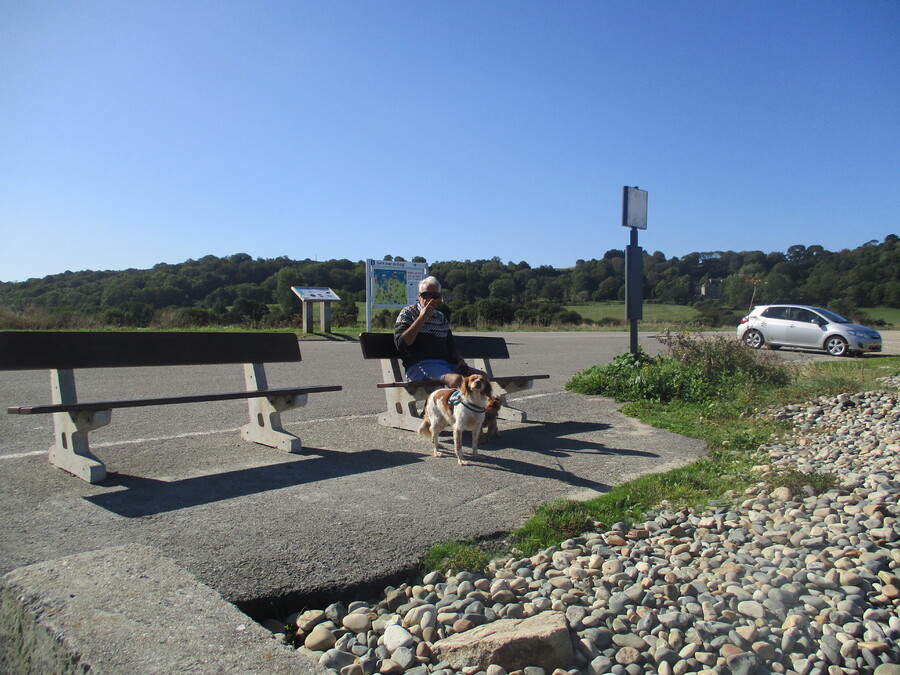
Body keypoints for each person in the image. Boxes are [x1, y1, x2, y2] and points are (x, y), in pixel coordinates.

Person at [394, 276, 474, 387]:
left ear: (439, 298)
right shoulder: (408, 313)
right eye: (425, 295)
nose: (429, 299)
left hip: (445, 365)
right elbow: (401, 343)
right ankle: (454, 403)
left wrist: (460, 362)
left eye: (434, 296)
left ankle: (470, 404)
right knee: (456, 380)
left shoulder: (440, 317)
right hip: (419, 366)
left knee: (482, 378)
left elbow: (451, 346)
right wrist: (422, 318)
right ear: (419, 296)